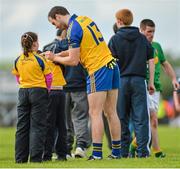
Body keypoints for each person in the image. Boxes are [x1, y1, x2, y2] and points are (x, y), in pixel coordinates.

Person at [45, 6, 121, 160]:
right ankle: (117, 152)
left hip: (98, 69)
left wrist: (54, 58)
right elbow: (81, 48)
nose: (56, 26)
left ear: (58, 16)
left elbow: (73, 60)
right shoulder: (84, 19)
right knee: (111, 112)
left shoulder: (73, 29)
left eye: (54, 23)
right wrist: (60, 54)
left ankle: (97, 154)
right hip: (111, 65)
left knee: (95, 113)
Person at [129, 19, 179, 158]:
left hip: (155, 88)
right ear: (141, 31)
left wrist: (174, 79)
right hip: (141, 86)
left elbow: (165, 64)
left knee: (154, 121)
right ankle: (155, 151)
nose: (152, 35)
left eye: (153, 32)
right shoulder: (136, 46)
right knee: (148, 119)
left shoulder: (156, 46)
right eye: (149, 32)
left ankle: (135, 145)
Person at [108, 9, 155, 158]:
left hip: (121, 81)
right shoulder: (142, 39)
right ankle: (142, 152)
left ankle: (123, 152)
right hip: (139, 80)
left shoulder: (114, 39)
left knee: (121, 117)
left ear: (120, 21)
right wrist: (151, 82)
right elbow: (151, 59)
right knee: (140, 118)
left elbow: (110, 64)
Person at [12, 32, 52, 163]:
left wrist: (26, 84)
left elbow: (18, 77)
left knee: (22, 127)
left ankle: (20, 159)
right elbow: (49, 77)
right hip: (39, 91)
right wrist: (47, 90)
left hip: (23, 91)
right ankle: (35, 159)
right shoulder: (40, 59)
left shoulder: (18, 59)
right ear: (35, 43)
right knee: (37, 126)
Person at [42, 29, 68, 161]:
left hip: (50, 91)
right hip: (60, 90)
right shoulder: (62, 51)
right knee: (61, 124)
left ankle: (47, 155)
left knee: (49, 124)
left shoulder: (44, 52)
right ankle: (62, 154)